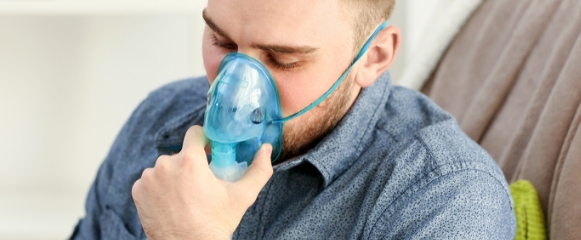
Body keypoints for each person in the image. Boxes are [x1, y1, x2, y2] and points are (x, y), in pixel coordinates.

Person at [71, 0, 516, 239]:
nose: (234, 88)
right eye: (222, 42)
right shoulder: (159, 119)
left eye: (282, 59)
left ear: (373, 58)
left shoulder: (443, 199)